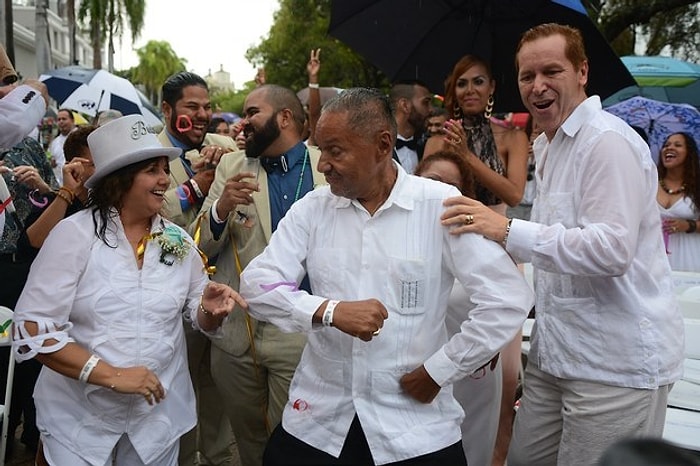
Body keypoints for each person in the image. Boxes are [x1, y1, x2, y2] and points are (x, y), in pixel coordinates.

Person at [239, 87, 533, 465]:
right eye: (321, 149)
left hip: (414, 428)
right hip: (320, 420)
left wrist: (440, 370)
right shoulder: (313, 209)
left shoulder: (438, 206)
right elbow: (258, 283)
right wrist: (329, 310)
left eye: (335, 150)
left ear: (381, 145)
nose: (322, 164)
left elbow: (508, 297)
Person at [440, 23, 684, 466]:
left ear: (582, 72)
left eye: (552, 71)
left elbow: (610, 250)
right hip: (556, 356)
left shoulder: (607, 142)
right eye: (526, 76)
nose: (538, 86)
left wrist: (507, 230)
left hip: (616, 367)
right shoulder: (547, 146)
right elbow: (553, 248)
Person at [12, 114, 245, 466]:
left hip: (155, 425)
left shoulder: (175, 239)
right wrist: (113, 375)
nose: (165, 179)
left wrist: (208, 310)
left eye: (164, 169)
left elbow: (196, 313)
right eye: (152, 170)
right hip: (79, 425)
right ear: (120, 181)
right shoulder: (74, 235)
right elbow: (33, 330)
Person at [192, 83, 325, 466]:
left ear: (284, 117)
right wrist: (219, 209)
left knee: (293, 439)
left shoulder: (324, 166)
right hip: (239, 334)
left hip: (301, 333)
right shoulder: (233, 166)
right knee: (249, 441)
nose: (243, 123)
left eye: (252, 113)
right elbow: (200, 246)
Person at [425, 54, 531, 465]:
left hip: (497, 248)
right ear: (453, 91)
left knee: (504, 376)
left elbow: (514, 194)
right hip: (445, 250)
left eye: (479, 82)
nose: (470, 90)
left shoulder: (511, 137)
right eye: (462, 83)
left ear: (491, 91)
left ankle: (495, 455)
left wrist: (468, 157)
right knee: (443, 353)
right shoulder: (437, 142)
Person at [157, 71, 238, 466]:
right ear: (169, 110)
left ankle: (221, 457)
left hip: (220, 290)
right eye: (192, 107)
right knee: (180, 385)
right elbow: (153, 208)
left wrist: (224, 168)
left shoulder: (225, 145)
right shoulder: (149, 149)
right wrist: (198, 184)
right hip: (170, 292)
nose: (203, 115)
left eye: (207, 107)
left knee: (219, 388)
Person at [416, 151, 501, 466]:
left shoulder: (479, 241)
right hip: (414, 365)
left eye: (453, 187)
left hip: (470, 368)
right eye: (434, 181)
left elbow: (502, 301)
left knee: (470, 445)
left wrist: (491, 340)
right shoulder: (390, 232)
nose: (442, 193)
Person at [656, 132, 700, 272]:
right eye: (666, 145)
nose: (669, 148)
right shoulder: (650, 182)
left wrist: (688, 225)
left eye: (678, 145)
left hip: (690, 257)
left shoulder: (697, 186)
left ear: (689, 153)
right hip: (654, 256)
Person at [390, 80, 433, 174]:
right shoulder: (378, 147)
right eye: (425, 103)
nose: (431, 110)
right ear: (405, 105)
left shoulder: (427, 145)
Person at [48, 109, 77, 184]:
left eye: (64, 119)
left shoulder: (79, 138)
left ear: (72, 120)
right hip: (60, 184)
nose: (61, 122)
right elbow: (51, 162)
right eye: (59, 119)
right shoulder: (54, 142)